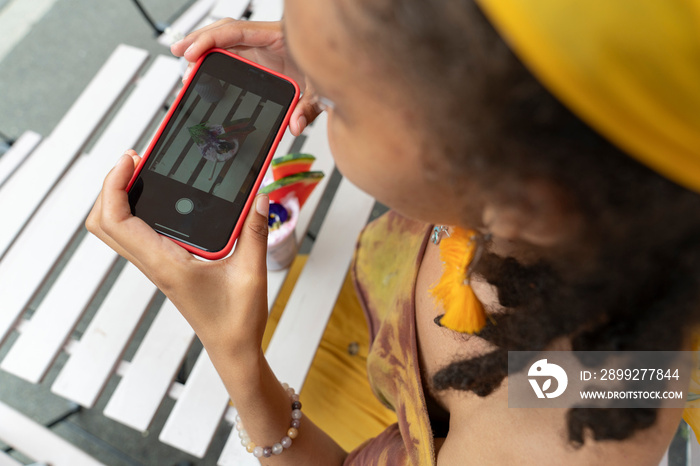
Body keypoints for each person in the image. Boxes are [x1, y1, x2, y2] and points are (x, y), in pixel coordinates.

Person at [86, 0, 700, 464]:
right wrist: (338, 49)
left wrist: (236, 356)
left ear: (523, 196)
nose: (310, 92)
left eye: (339, 103)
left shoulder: (562, 418)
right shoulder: (583, 178)